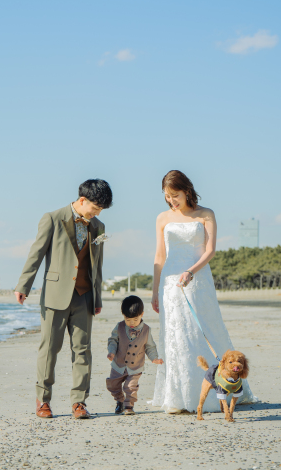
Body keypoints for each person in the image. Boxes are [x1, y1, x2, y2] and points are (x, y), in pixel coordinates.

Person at [150, 170, 255, 414]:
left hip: (198, 278)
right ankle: (178, 396)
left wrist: (191, 271)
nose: (171, 201)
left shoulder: (206, 214)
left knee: (205, 329)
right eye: (167, 196)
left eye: (175, 195)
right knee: (176, 336)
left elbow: (210, 251)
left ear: (186, 190)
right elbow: (159, 256)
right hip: (170, 283)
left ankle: (223, 388)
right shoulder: (162, 218)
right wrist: (155, 290)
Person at [14, 179, 112, 419]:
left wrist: (97, 297)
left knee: (83, 351)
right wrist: (23, 284)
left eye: (101, 210)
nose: (97, 213)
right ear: (82, 200)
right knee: (49, 349)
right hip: (56, 295)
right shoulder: (52, 218)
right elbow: (36, 254)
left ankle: (79, 402)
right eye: (96, 207)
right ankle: (43, 401)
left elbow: (97, 265)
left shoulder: (98, 226)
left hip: (85, 295)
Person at [106, 295, 163, 415]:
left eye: (135, 320)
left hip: (135, 366)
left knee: (131, 387)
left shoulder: (146, 330)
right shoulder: (120, 326)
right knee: (112, 385)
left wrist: (154, 358)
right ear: (123, 316)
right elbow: (113, 340)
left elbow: (150, 346)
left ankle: (129, 406)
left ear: (142, 314)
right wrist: (111, 352)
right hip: (118, 364)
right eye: (128, 319)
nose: (131, 323)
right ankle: (119, 401)